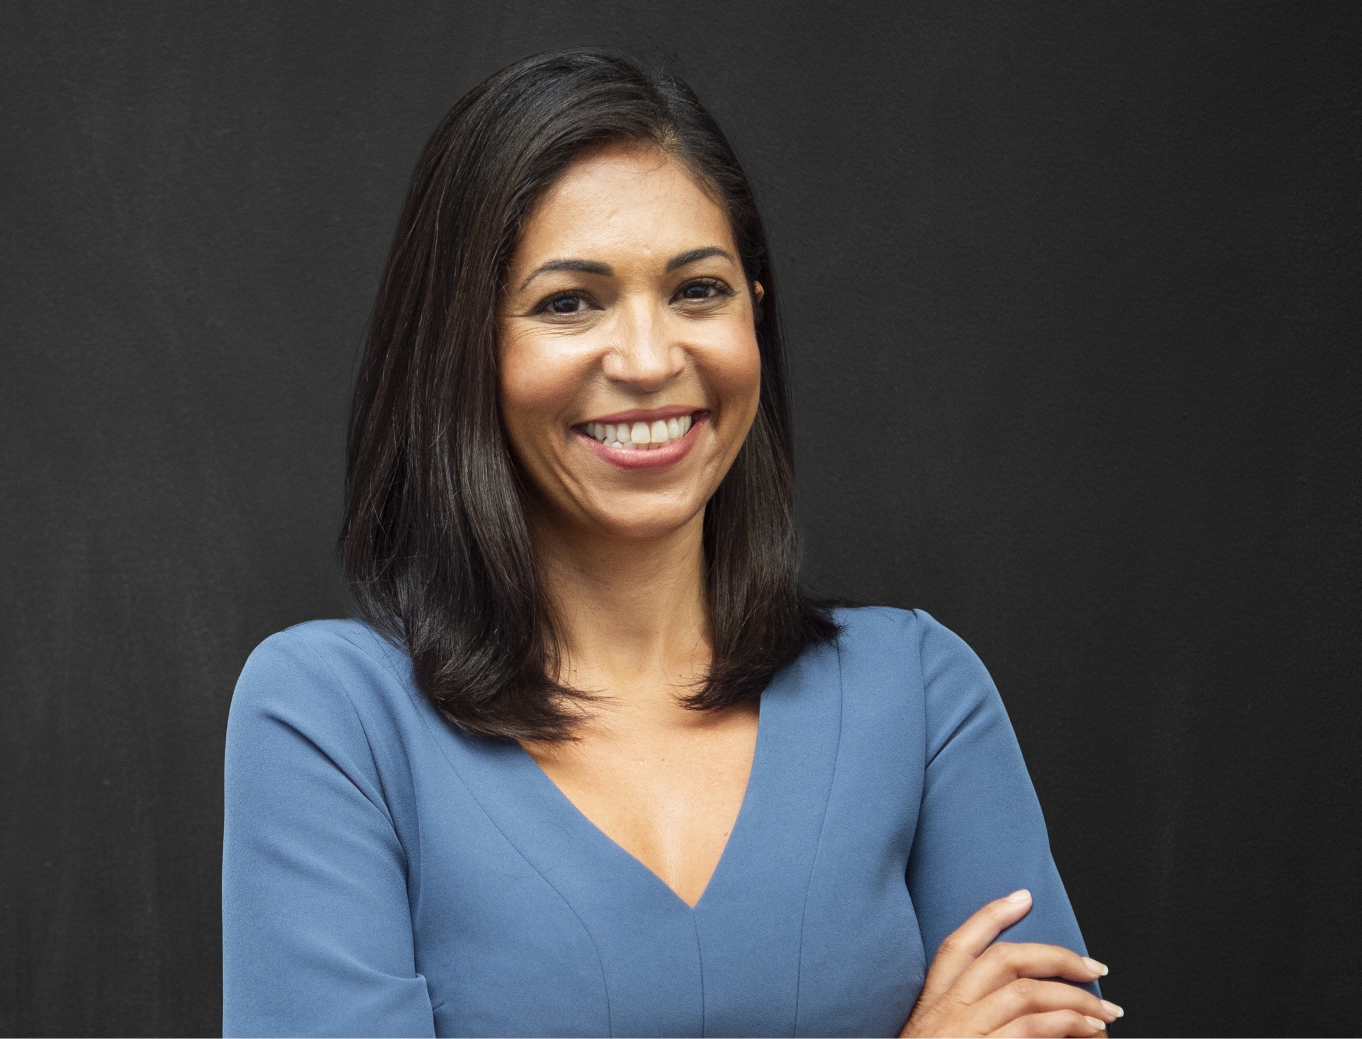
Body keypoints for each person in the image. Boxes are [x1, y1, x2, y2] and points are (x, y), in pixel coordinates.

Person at [223, 49, 1119, 1038]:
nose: (650, 361)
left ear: (754, 313)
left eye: (697, 290)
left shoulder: (918, 695)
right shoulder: (334, 720)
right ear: (465, 345)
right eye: (570, 301)